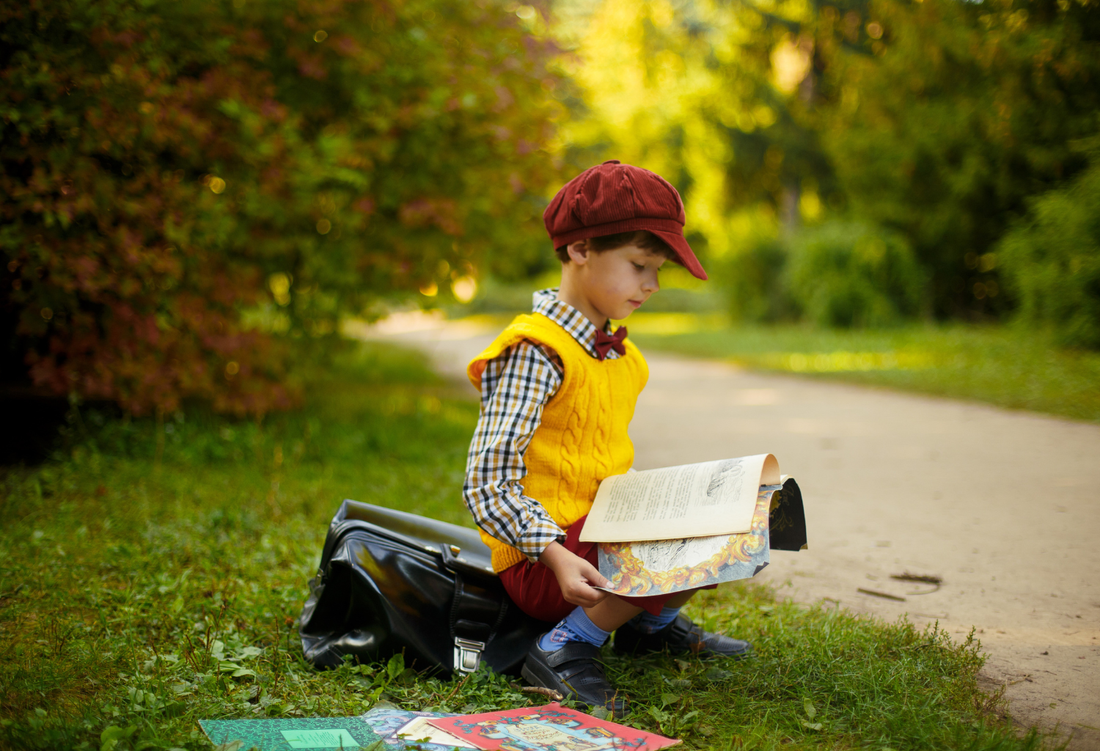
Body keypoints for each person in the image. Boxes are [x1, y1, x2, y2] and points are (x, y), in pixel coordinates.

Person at [463, 161, 750, 716]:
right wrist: (553, 556)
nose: (652, 285)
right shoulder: (536, 351)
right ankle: (565, 646)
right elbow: (487, 483)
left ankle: (650, 627)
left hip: (600, 530)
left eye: (658, 270)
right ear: (580, 249)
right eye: (640, 265)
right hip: (546, 561)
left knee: (740, 511)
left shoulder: (621, 356)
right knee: (686, 538)